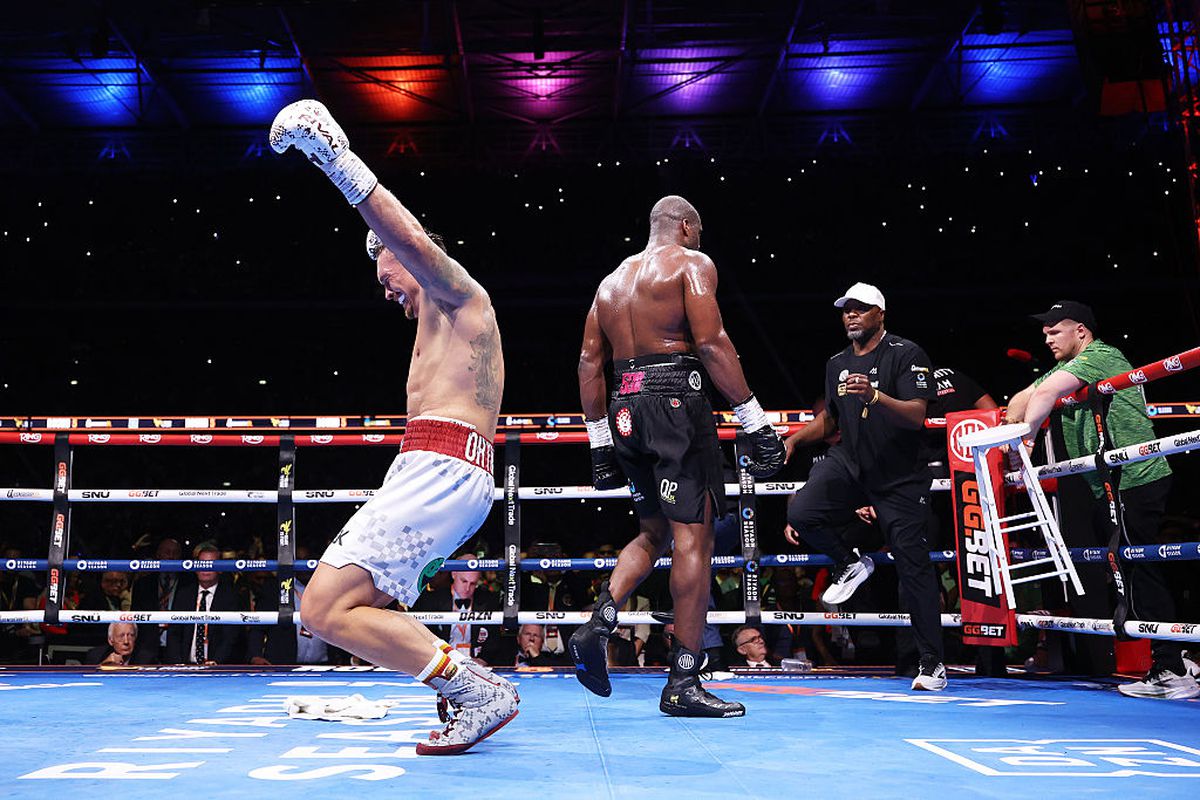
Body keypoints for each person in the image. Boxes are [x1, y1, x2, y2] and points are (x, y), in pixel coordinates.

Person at [270, 99, 518, 754]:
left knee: (322, 608)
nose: (383, 288)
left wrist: (335, 160)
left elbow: (406, 237)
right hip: (435, 471)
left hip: (441, 471)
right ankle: (467, 684)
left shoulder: (462, 298)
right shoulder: (441, 322)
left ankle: (476, 690)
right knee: (353, 606)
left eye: (383, 266)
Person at [571, 194, 785, 717]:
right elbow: (711, 342)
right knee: (695, 538)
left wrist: (601, 441)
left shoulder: (611, 283)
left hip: (625, 408)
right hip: (675, 403)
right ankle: (683, 682)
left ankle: (599, 620)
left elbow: (588, 363)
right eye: (700, 230)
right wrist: (755, 421)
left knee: (652, 531)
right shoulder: (692, 265)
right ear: (686, 227)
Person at [1004, 300, 1195, 700]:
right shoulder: (1069, 364)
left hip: (1134, 475)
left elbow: (1048, 393)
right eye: (1045, 330)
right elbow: (1027, 394)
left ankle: (1172, 667)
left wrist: (1026, 438)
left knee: (1140, 569)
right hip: (1112, 481)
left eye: (1055, 330)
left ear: (1081, 332)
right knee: (1130, 567)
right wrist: (1017, 422)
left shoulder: (1100, 356)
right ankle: (1176, 657)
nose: (1046, 336)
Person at [781, 282, 947, 691]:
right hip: (851, 465)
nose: (851, 315)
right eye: (845, 310)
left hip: (900, 476)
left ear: (880, 314)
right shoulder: (836, 363)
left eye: (860, 309)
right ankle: (849, 562)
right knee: (801, 512)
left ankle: (932, 663)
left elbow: (916, 415)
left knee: (913, 567)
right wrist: (795, 439)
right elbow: (832, 420)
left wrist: (876, 396)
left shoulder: (906, 354)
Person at [165, 542, 249, 665]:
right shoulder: (184, 594)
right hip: (185, 666)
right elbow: (174, 633)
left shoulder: (231, 597)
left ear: (220, 569)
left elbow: (231, 637)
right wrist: (177, 663)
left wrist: (216, 661)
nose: (206, 568)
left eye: (211, 564)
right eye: (202, 563)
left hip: (218, 666)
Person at [411, 565, 500, 661]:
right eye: (464, 581)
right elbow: (423, 635)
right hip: (440, 661)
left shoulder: (487, 601)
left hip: (475, 662)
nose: (467, 588)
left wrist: (483, 660)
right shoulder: (433, 599)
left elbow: (494, 636)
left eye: (473, 584)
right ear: (454, 574)